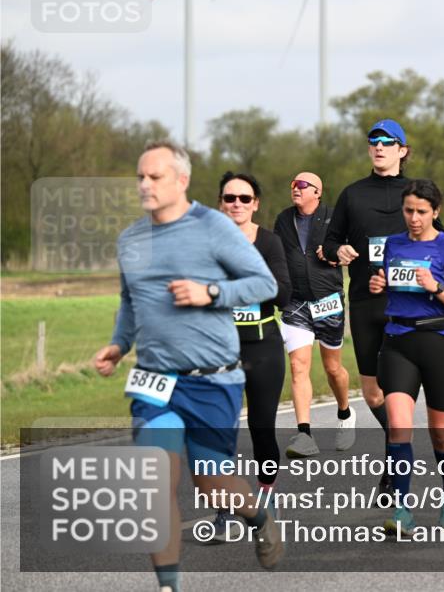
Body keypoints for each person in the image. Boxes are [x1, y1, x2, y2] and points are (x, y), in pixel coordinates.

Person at [93, 142, 283, 591]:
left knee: (211, 483)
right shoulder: (131, 239)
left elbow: (265, 283)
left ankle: (258, 515)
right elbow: (129, 300)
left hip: (211, 379)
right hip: (155, 378)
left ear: (181, 180)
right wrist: (119, 345)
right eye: (140, 176)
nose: (144, 185)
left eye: (154, 177)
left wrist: (210, 294)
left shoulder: (214, 227)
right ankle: (169, 585)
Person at [369, 179, 444, 533]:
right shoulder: (393, 245)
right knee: (399, 427)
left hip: (440, 343)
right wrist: (379, 284)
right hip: (398, 341)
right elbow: (388, 284)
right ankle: (402, 510)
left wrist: (437, 287)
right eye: (409, 210)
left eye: (421, 212)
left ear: (436, 212)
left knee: (441, 433)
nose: (414, 218)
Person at [321, 119, 411, 494]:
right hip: (364, 302)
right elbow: (328, 244)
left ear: (402, 150)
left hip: (408, 304)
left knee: (400, 391)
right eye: (373, 141)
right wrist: (337, 251)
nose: (379, 147)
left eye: (387, 142)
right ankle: (399, 446)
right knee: (373, 394)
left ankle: (396, 465)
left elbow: (441, 241)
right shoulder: (352, 194)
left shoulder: (416, 192)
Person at [215, 171, 291, 537]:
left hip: (263, 347)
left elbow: (283, 294)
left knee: (262, 429)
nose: (237, 205)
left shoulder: (270, 243)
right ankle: (224, 509)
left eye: (245, 199)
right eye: (230, 199)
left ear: (256, 204)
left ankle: (266, 495)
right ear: (221, 204)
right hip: (218, 349)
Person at [274, 172, 353, 457]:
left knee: (333, 369)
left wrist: (334, 255)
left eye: (302, 185)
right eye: (293, 184)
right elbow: (277, 256)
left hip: (328, 301)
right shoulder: (284, 219)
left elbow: (349, 251)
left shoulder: (334, 217)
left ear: (317, 192)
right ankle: (304, 434)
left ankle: (345, 413)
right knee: (298, 366)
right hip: (295, 303)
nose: (295, 188)